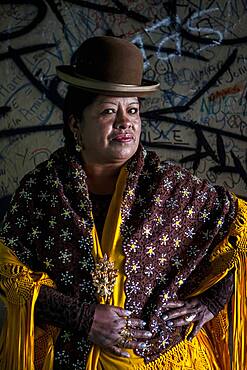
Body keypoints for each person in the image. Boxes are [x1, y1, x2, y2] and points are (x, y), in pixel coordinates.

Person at [0, 36, 246, 370]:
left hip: (166, 361)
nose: (124, 122)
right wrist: (83, 317)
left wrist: (211, 301)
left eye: (132, 110)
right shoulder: (42, 191)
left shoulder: (171, 187)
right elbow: (8, 273)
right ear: (75, 124)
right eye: (107, 111)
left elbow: (242, 233)